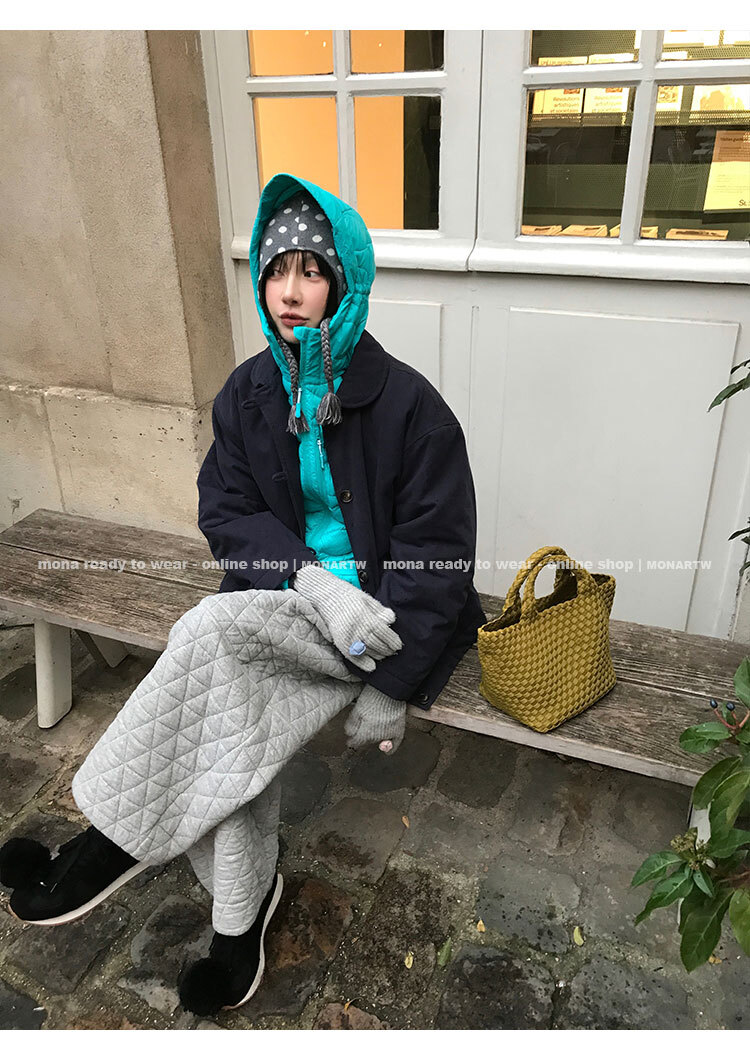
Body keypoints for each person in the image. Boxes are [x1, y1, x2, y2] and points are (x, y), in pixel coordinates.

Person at [0, 173, 486, 1017]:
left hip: (378, 623)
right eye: (275, 271)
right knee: (229, 710)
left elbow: (438, 554)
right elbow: (225, 511)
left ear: (345, 282)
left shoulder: (412, 407)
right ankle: (239, 916)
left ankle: (112, 841)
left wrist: (391, 682)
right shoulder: (249, 392)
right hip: (287, 602)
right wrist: (310, 580)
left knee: (212, 642)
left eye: (311, 271)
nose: (290, 291)